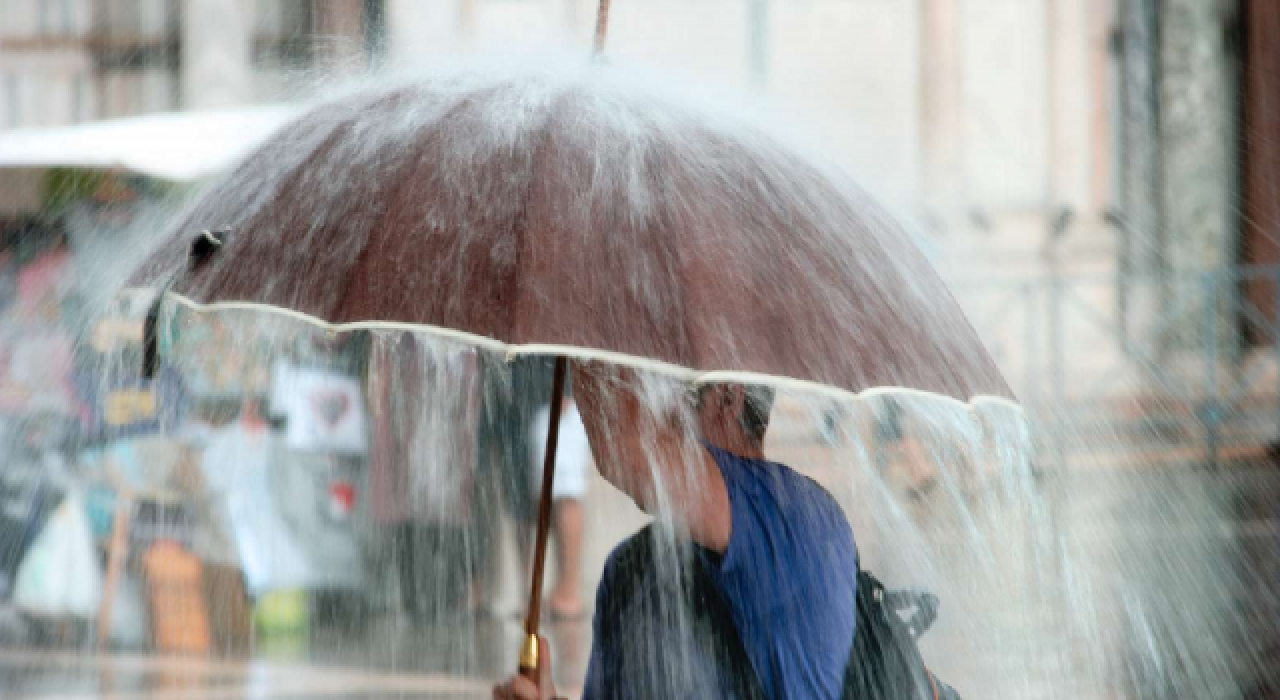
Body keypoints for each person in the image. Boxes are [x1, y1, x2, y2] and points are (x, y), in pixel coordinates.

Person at [494, 362, 859, 700]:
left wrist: (579, 322)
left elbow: (626, 447)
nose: (654, 408)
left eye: (662, 382)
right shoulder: (631, 564)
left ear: (728, 396)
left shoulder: (800, 517)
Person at [528, 388, 591, 620]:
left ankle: (568, 592)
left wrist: (565, 387)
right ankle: (556, 591)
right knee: (547, 495)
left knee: (565, 491)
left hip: (558, 395)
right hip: (528, 395)